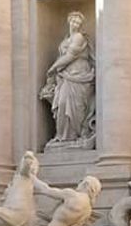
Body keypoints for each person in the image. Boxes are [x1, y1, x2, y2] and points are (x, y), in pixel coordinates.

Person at [40, 10, 96, 148]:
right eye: (73, 20)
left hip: (79, 73)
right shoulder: (65, 40)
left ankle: (76, 135)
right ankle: (63, 136)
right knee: (62, 103)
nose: (75, 23)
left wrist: (53, 68)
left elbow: (70, 56)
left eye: (78, 22)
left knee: (76, 105)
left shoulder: (79, 37)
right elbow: (64, 57)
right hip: (65, 76)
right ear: (69, 21)